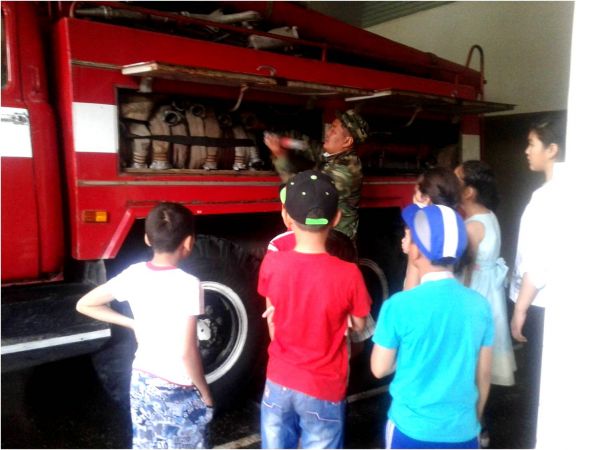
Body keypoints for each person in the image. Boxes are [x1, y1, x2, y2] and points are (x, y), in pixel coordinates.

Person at [76, 202, 213, 449]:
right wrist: (204, 391)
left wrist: (132, 323)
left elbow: (85, 304)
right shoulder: (189, 284)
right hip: (177, 386)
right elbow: (187, 351)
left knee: (147, 442)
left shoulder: (134, 274)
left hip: (142, 380)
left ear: (147, 239)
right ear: (189, 242)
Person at [258, 170, 372, 449]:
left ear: (286, 216)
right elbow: (359, 325)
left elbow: (273, 320)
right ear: (337, 218)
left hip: (278, 381)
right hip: (323, 387)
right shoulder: (349, 274)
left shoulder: (272, 263)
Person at [371, 203, 493, 449]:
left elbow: (379, 369)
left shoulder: (398, 306)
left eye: (409, 235)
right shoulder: (480, 305)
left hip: (410, 429)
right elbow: (484, 374)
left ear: (416, 251)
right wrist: (475, 420)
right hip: (463, 431)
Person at [509, 117, 566, 439]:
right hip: (563, 300)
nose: (527, 151)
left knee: (538, 382)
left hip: (542, 305)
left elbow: (538, 261)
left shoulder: (547, 197)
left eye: (532, 144)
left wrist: (520, 309)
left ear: (552, 149)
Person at [455, 160, 516, 447]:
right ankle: (482, 426)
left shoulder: (471, 227)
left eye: (456, 180)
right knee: (484, 363)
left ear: (468, 192)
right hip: (492, 295)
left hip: (477, 294)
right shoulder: (489, 217)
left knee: (470, 363)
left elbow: (464, 274)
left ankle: (473, 426)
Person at [403, 167, 461, 290]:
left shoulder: (419, 230)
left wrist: (410, 247)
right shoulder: (458, 226)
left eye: (416, 192)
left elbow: (411, 288)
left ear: (426, 198)